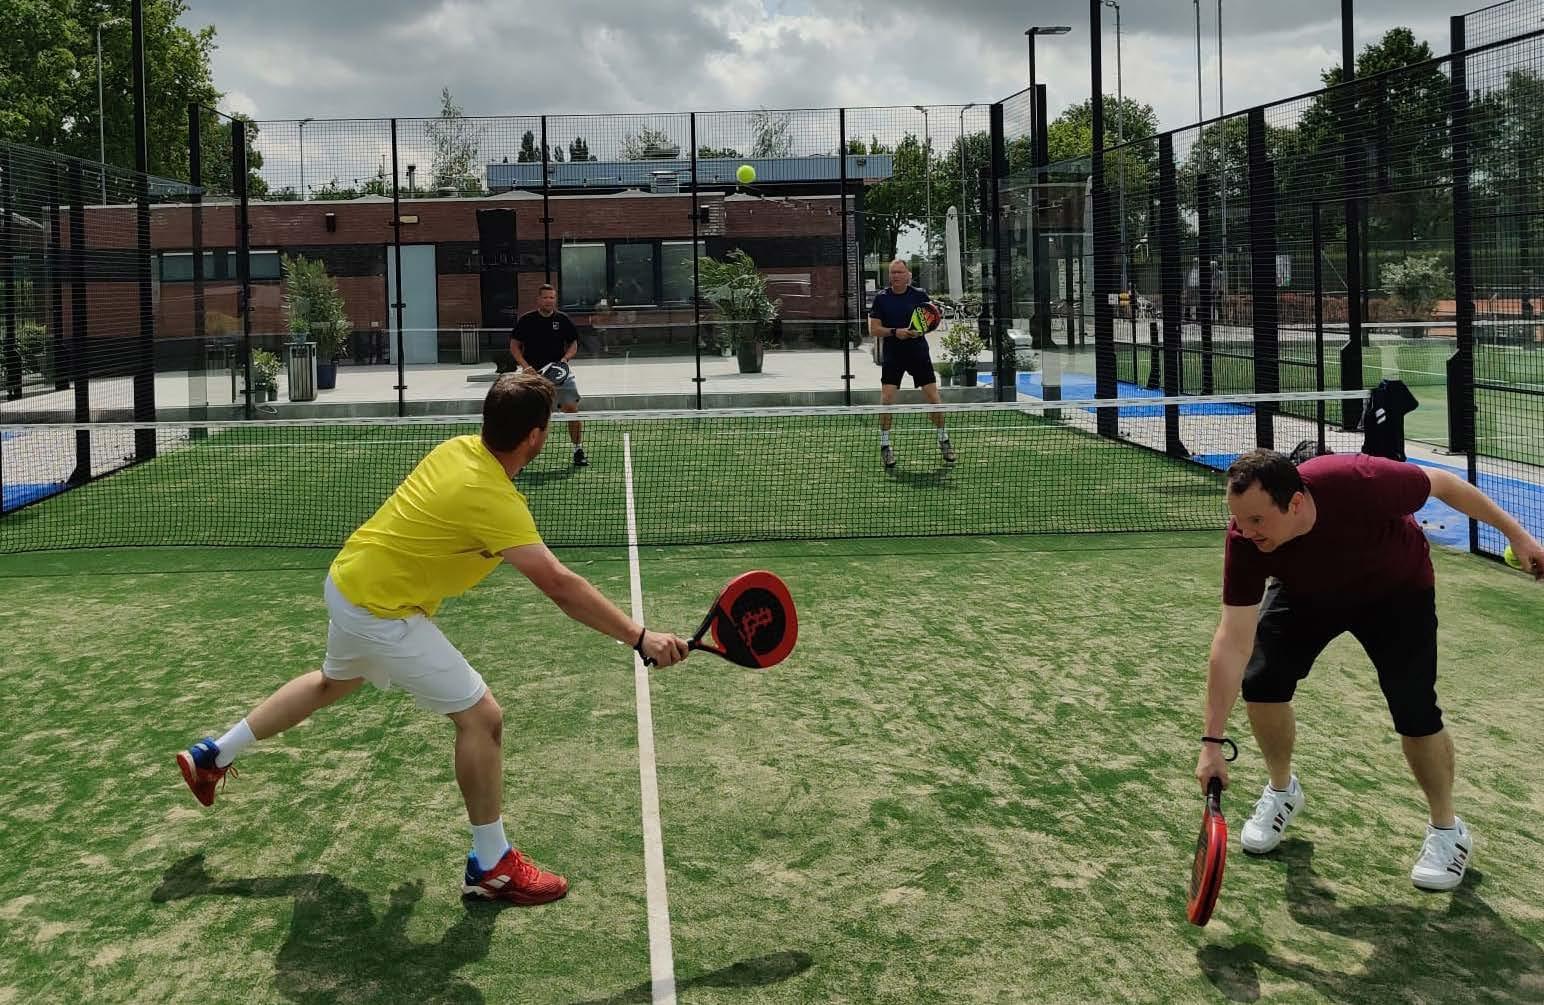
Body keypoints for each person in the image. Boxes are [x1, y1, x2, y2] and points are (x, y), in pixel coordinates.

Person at [174, 373, 690, 905]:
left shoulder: (457, 449)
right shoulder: (493, 499)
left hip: (348, 582)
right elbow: (560, 585)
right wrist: (640, 637)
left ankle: (214, 754)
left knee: (333, 683)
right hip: (381, 611)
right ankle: (491, 864)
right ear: (536, 436)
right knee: (482, 718)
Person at [1195, 449, 1543, 891]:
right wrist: (1211, 743)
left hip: (1395, 591)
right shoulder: (1245, 541)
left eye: (1257, 519)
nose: (1246, 531)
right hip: (1307, 593)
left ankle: (1447, 830)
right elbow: (1232, 641)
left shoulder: (1359, 480)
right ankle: (1282, 791)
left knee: (1414, 708)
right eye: (1239, 519)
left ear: (1295, 503)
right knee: (1262, 681)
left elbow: (1444, 483)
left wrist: (1518, 536)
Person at [868, 259, 954, 469]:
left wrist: (918, 332)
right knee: (886, 400)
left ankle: (944, 440)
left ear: (908, 275)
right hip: (893, 355)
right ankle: (885, 446)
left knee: (934, 399)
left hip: (918, 353)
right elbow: (874, 329)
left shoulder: (920, 296)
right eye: (893, 273)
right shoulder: (881, 298)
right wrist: (895, 332)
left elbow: (931, 320)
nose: (896, 276)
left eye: (900, 272)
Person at [511, 284, 588, 467]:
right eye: (545, 297)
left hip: (560, 373)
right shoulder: (526, 320)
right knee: (528, 417)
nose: (549, 301)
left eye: (552, 298)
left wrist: (565, 360)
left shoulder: (563, 320)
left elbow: (573, 343)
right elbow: (514, 346)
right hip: (533, 375)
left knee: (572, 410)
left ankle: (578, 450)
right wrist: (526, 367)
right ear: (538, 299)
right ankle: (520, 457)